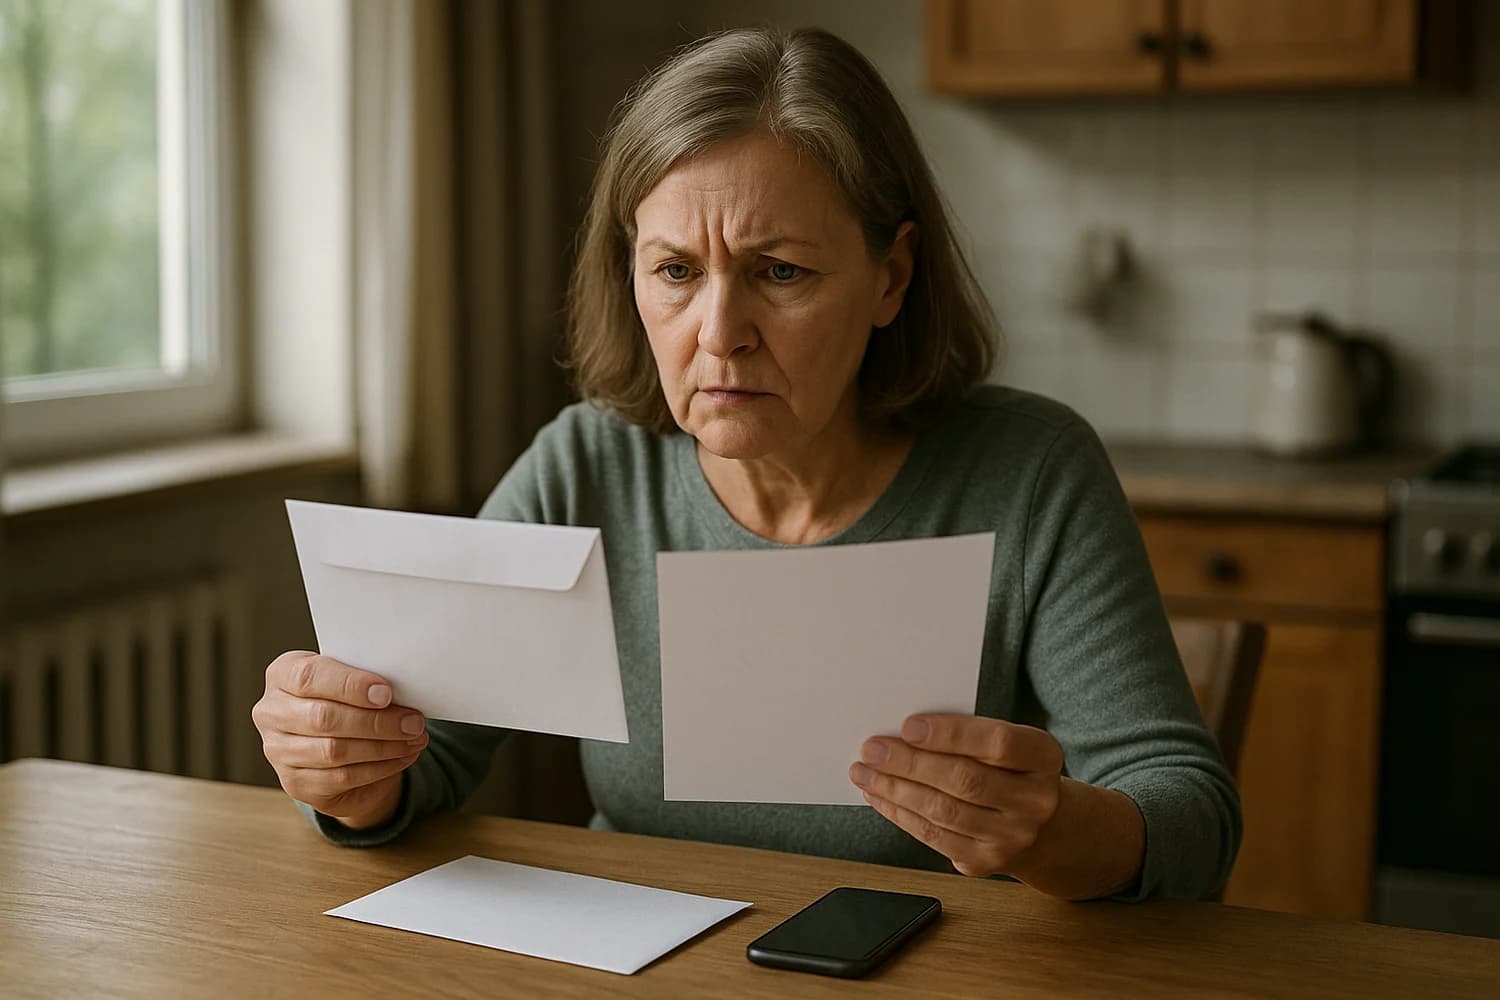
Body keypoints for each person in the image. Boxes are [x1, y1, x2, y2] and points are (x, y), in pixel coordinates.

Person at [251, 26, 1239, 902]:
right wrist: (347, 765)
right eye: (676, 271)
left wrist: (1058, 829)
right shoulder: (588, 466)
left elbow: (1189, 818)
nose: (720, 335)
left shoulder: (1029, 470)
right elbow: (426, 761)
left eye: (781, 272)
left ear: (890, 277)